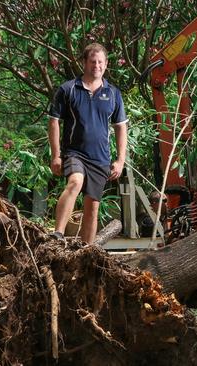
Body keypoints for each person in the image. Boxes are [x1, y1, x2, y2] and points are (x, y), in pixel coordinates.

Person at [47, 43, 128, 245]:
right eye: (93, 61)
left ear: (106, 64)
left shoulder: (113, 94)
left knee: (92, 206)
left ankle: (86, 250)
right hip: (74, 152)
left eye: (100, 62)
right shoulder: (68, 89)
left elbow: (120, 127)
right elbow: (54, 121)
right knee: (75, 181)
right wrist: (56, 155)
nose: (97, 66)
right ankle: (58, 233)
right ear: (84, 62)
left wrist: (120, 160)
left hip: (100, 158)